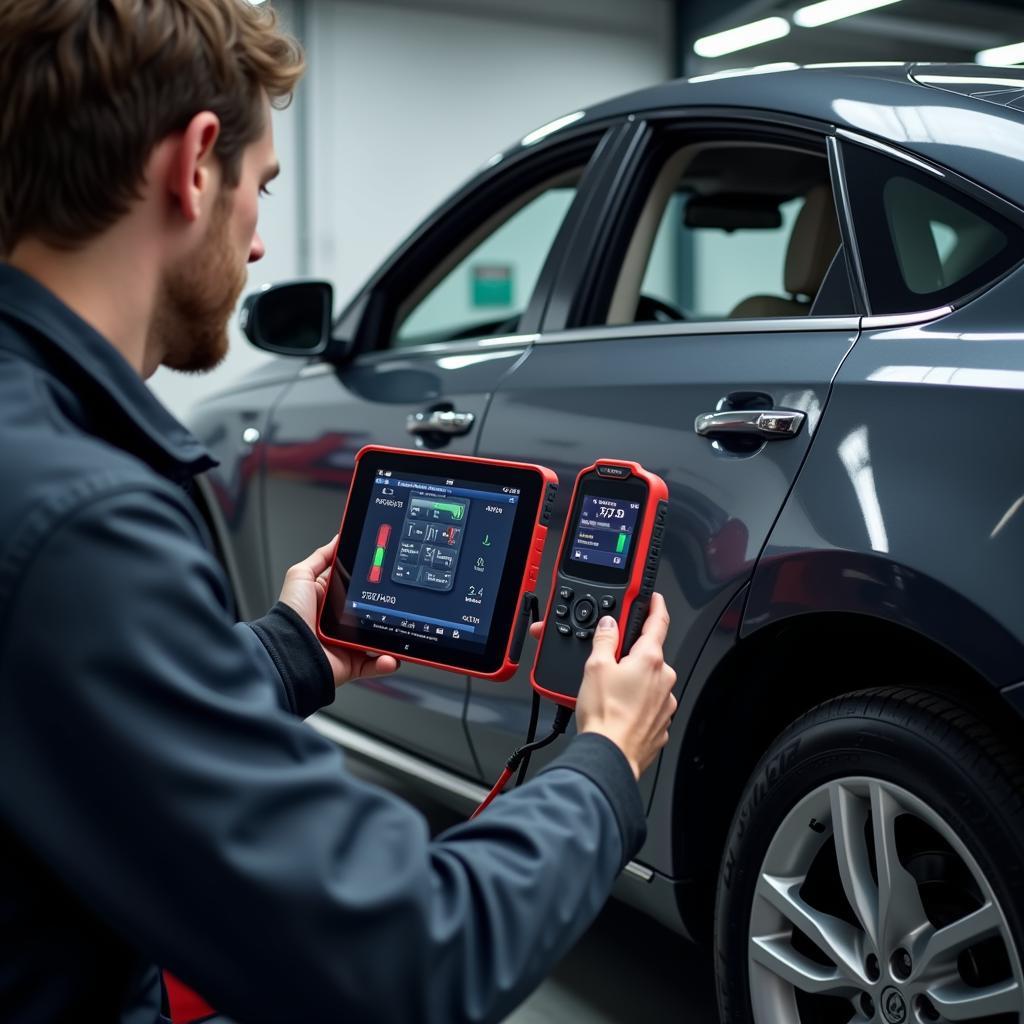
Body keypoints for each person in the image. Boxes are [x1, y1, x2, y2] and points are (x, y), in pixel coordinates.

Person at [0, 1, 678, 1022]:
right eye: (259, 190)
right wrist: (603, 765)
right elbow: (411, 958)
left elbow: (70, 711)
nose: (262, 244)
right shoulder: (80, 516)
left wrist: (284, 650)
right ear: (194, 167)